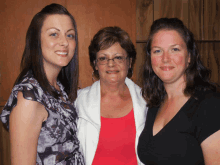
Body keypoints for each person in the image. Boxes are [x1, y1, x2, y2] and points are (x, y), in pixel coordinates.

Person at [0, 3, 85, 165]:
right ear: (36, 41)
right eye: (54, 34)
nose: (64, 42)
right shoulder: (29, 98)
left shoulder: (59, 88)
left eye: (70, 35)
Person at [137, 17, 220, 165]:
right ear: (150, 59)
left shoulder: (210, 105)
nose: (165, 58)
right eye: (157, 51)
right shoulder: (154, 103)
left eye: (174, 49)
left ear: (189, 57)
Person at [75, 26, 147, 165]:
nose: (111, 64)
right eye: (103, 58)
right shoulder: (78, 101)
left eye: (118, 57)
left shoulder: (147, 100)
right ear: (95, 64)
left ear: (129, 62)